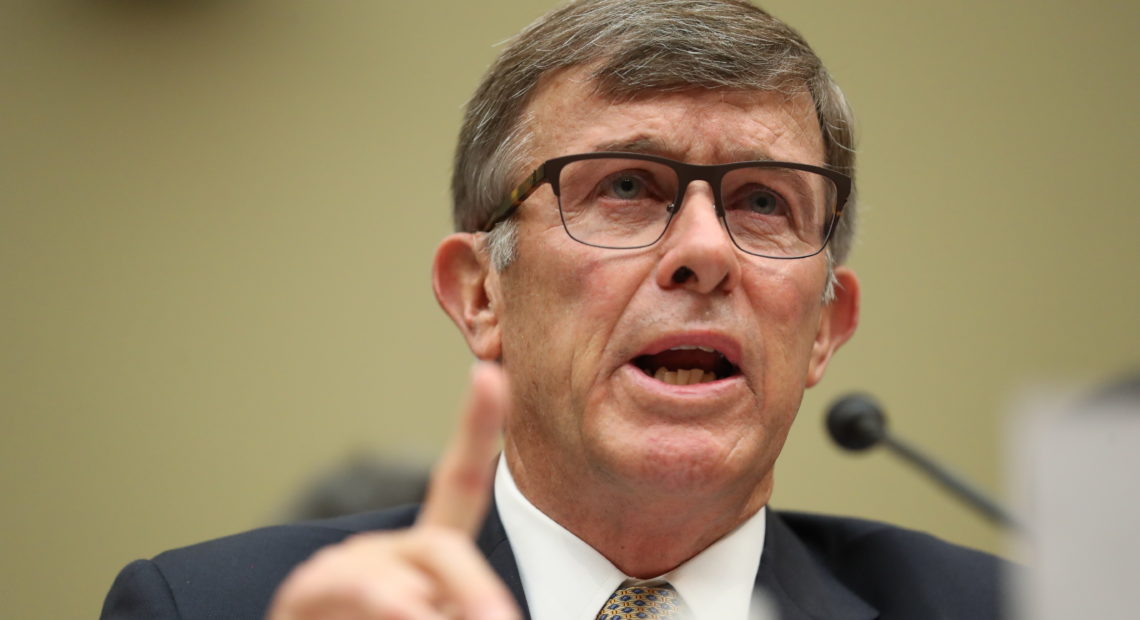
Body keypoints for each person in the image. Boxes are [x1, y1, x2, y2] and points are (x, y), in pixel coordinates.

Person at [101, 1, 1006, 618]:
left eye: (764, 202)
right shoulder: (210, 607)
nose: (704, 251)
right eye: (626, 186)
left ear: (824, 329)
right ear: (481, 294)